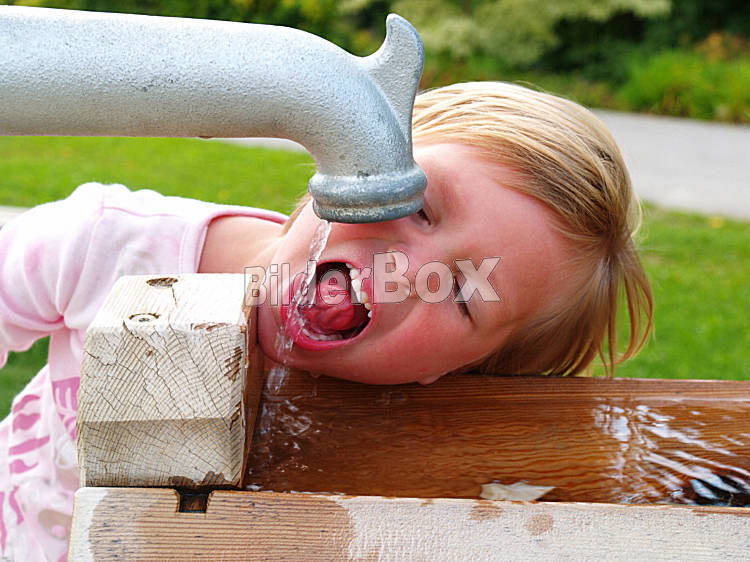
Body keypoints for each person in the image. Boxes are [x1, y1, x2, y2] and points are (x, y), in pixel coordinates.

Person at [0, 81, 652, 559]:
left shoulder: (408, 466)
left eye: (462, 294)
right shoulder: (107, 244)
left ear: (462, 371)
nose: (403, 268)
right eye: (419, 204)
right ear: (352, 155)